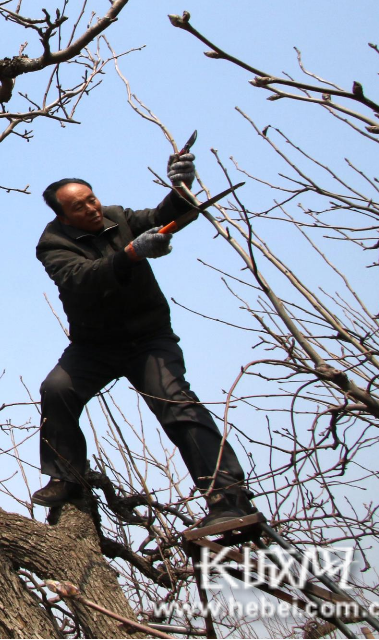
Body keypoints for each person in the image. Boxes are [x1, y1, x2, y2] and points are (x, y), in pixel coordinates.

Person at [32, 153, 258, 529]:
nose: (92, 209)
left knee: (176, 402)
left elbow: (161, 218)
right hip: (94, 346)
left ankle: (228, 496)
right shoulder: (52, 244)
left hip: (149, 338)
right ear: (63, 217)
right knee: (57, 389)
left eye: (92, 199)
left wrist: (181, 189)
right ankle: (66, 478)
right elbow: (83, 278)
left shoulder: (117, 217)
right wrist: (132, 253)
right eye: (79, 207)